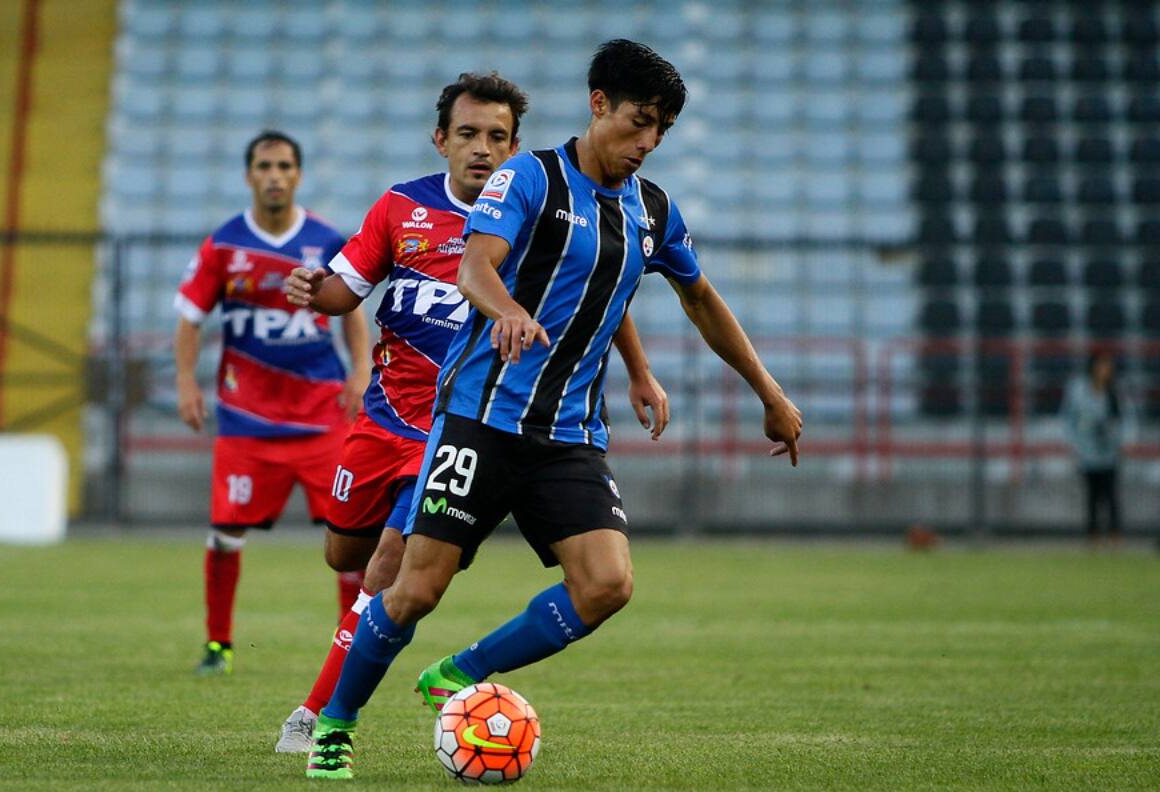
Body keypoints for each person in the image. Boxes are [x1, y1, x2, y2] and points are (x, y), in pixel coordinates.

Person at [303, 40, 802, 780]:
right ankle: (333, 727)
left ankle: (460, 671)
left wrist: (769, 391)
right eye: (639, 122)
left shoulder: (652, 209)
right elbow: (476, 264)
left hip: (568, 434)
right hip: (479, 417)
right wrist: (503, 311)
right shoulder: (529, 177)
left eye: (661, 128)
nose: (648, 142)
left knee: (607, 585)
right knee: (414, 589)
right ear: (599, 103)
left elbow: (696, 297)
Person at [277, 73, 670, 753]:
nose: (483, 149)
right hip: (384, 421)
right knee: (346, 552)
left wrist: (638, 370)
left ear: (516, 146)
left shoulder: (537, 204)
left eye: (497, 137)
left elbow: (608, 287)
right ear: (441, 140)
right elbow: (347, 292)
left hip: (461, 422)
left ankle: (319, 717)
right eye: (468, 135)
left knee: (391, 569)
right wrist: (316, 291)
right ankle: (356, 661)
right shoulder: (402, 209)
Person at [174, 130, 369, 676]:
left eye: (285, 165)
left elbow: (352, 310)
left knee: (349, 539)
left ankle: (348, 649)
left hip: (322, 417)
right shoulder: (224, 245)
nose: (275, 175)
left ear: (298, 175)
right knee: (224, 533)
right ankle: (218, 645)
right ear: (249, 175)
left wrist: (360, 369)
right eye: (265, 166)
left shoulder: (326, 240)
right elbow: (190, 318)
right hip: (247, 422)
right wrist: (187, 381)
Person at [1062, 350, 1132, 544]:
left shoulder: (1115, 392)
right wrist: (1074, 443)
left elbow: (1126, 420)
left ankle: (1115, 536)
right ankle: (1092, 536)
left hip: (1110, 452)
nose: (1104, 370)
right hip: (1087, 452)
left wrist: (1124, 442)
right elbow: (1068, 419)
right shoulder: (1078, 391)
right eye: (1100, 365)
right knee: (1092, 496)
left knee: (1111, 495)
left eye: (1107, 366)